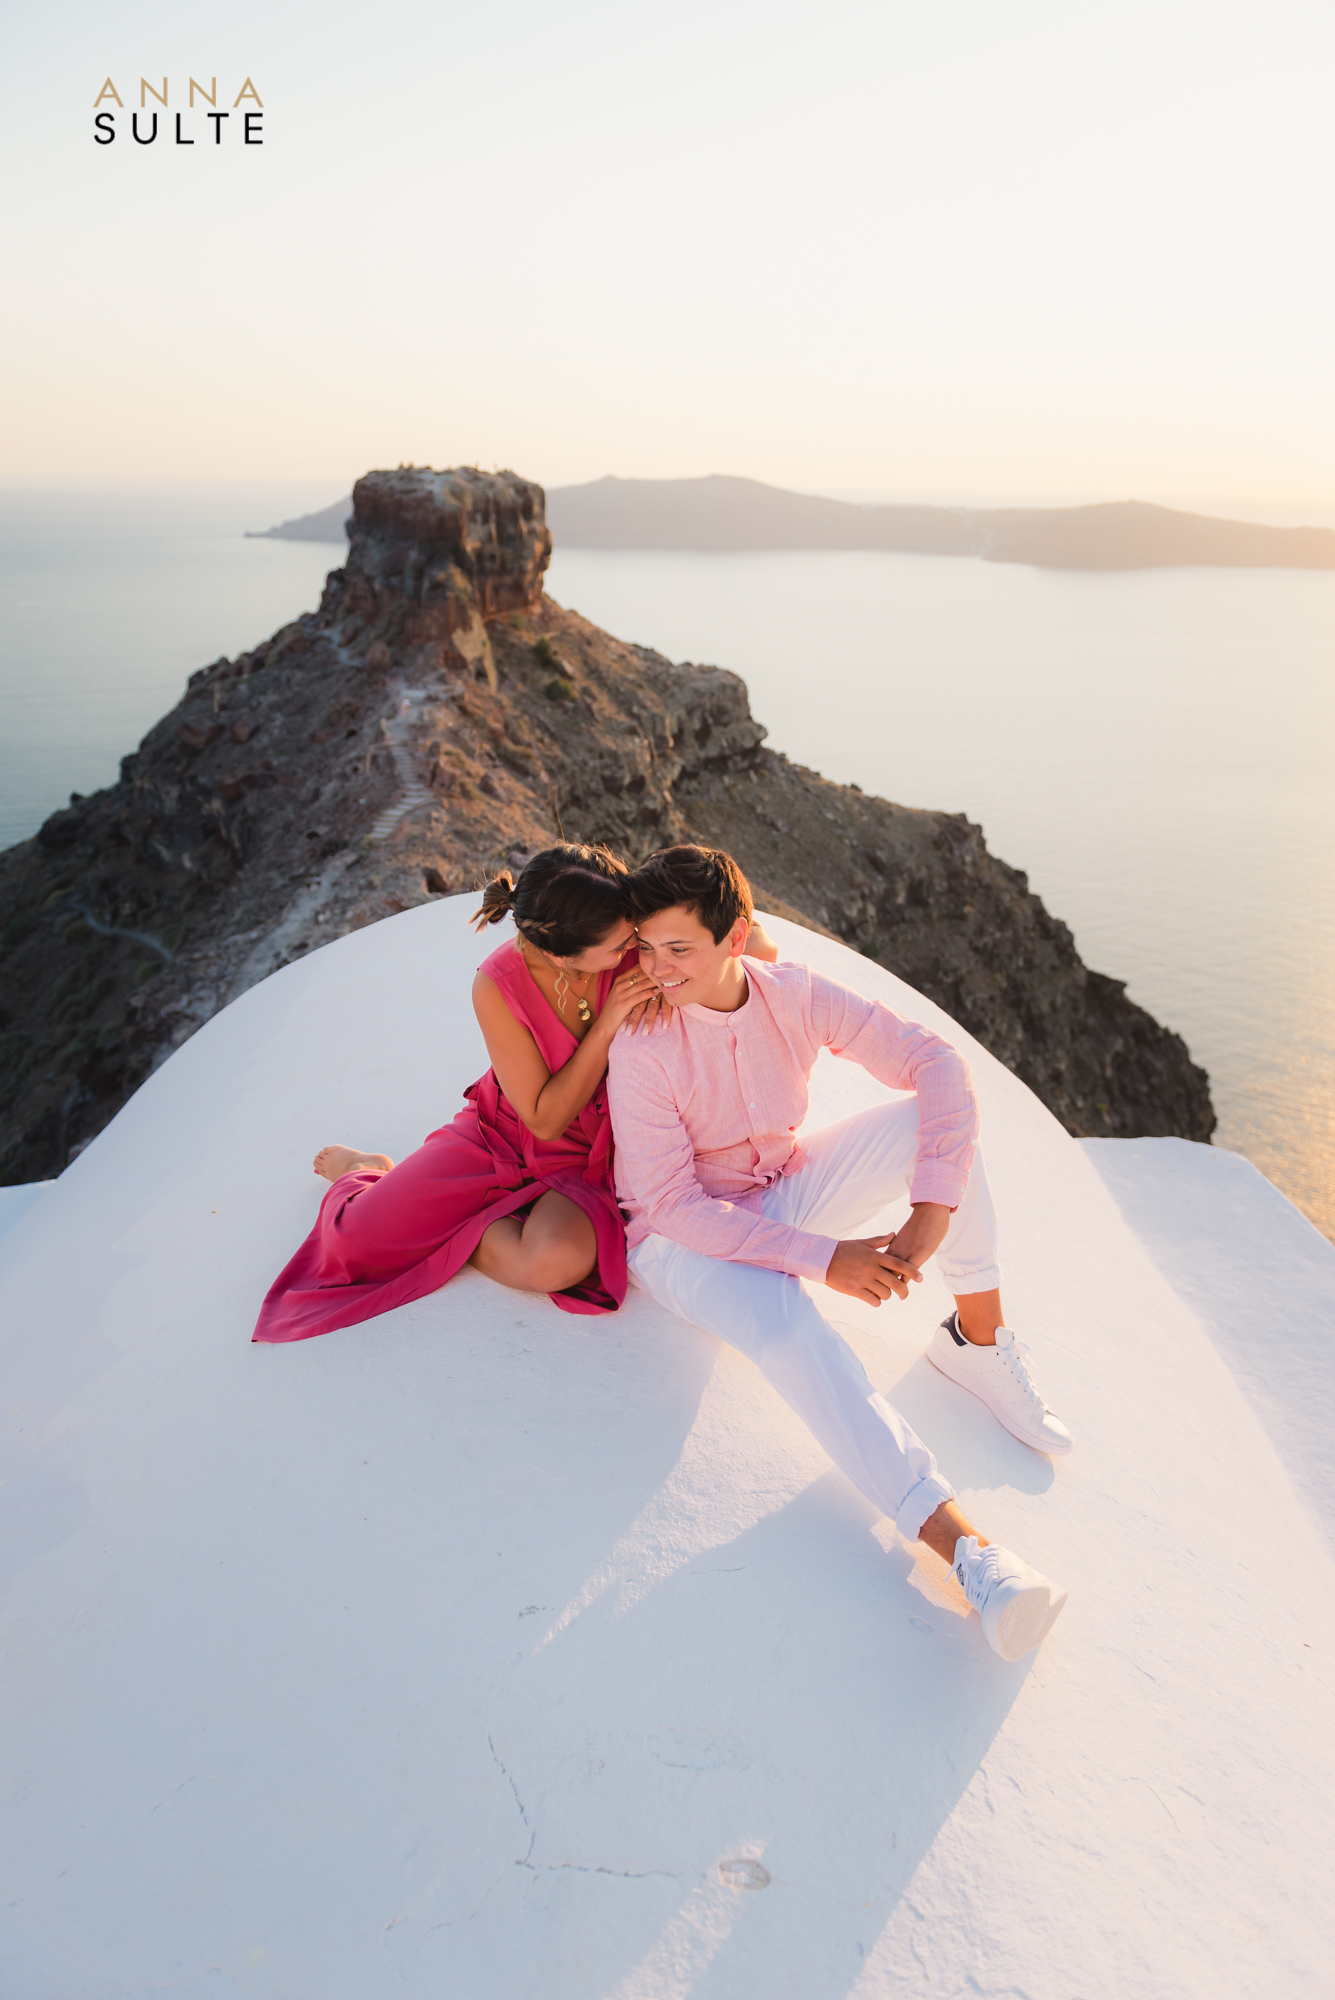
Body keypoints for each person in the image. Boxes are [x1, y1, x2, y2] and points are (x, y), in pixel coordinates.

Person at [607, 843, 1072, 1663]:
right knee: (789, 1335)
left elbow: (935, 1061)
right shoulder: (643, 1045)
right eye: (646, 947)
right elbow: (676, 1206)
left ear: (735, 937)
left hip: (778, 1184)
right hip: (678, 1242)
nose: (656, 967)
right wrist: (823, 1259)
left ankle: (977, 1342)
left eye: (677, 948)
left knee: (927, 1128)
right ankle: (974, 1558)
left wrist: (931, 1207)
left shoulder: (792, 995)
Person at [253, 841, 777, 1344]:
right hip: (503, 1136)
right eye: (623, 947)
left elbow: (755, 941)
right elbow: (543, 1119)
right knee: (354, 1244)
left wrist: (731, 942)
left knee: (553, 1263)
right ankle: (362, 1171)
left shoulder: (626, 942)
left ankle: (468, 1228)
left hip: (599, 1152)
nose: (638, 953)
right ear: (565, 954)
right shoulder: (497, 984)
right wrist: (609, 1022)